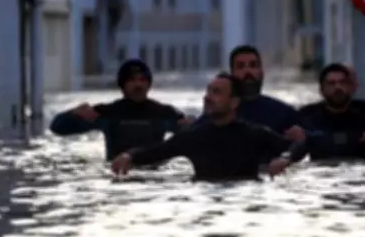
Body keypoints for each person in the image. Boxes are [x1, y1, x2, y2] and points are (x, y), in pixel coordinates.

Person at [111, 73, 307, 181]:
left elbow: (297, 148)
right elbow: (155, 152)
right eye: (208, 91)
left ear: (233, 103)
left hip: (246, 200)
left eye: (216, 92)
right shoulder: (193, 137)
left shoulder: (253, 134)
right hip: (204, 200)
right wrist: (129, 156)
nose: (207, 97)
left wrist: (284, 159)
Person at [49, 59, 194, 160]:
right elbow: (57, 128)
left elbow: (196, 134)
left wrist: (191, 123)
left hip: (154, 176)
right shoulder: (107, 112)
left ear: (149, 85)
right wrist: (73, 113)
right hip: (118, 174)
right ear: (122, 85)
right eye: (132, 80)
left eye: (143, 80)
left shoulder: (165, 113)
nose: (138, 85)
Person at [192, 45, 305, 142]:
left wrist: (303, 136)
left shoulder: (282, 112)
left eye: (253, 65)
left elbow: (313, 136)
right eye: (240, 66)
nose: (248, 72)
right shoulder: (221, 113)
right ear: (232, 73)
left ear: (261, 71)